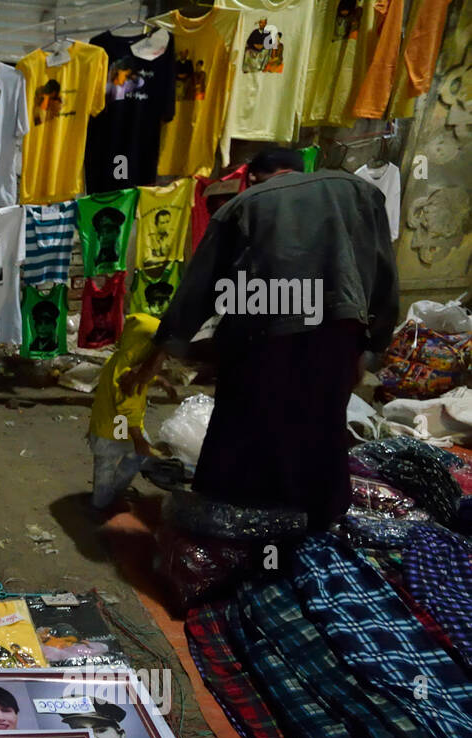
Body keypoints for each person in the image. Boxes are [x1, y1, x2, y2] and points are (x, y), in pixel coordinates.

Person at [121, 148, 399, 529]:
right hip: (337, 331)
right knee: (322, 426)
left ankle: (228, 527)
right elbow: (383, 274)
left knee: (242, 425)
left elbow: (199, 287)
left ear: (251, 177)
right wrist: (371, 347)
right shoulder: (359, 192)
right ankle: (317, 525)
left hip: (262, 332)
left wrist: (161, 352)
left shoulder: (244, 204)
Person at [86, 313, 169, 515]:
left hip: (108, 426)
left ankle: (106, 498)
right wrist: (137, 438)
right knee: (131, 456)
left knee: (109, 466)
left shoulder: (121, 361)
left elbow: (142, 376)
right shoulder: (127, 374)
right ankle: (102, 505)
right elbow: (126, 409)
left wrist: (159, 381)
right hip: (116, 428)